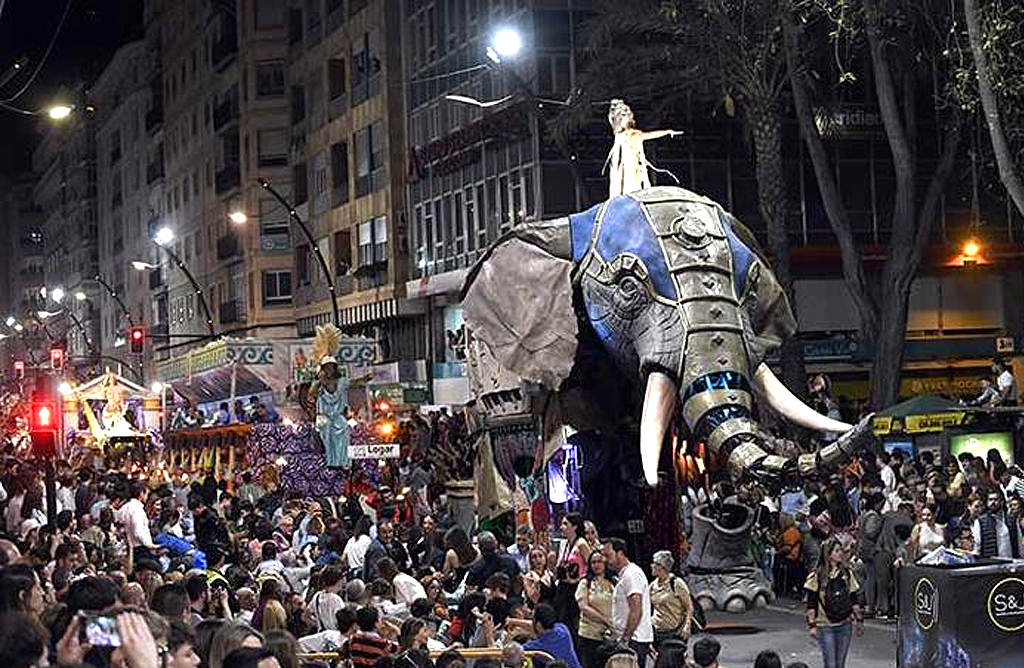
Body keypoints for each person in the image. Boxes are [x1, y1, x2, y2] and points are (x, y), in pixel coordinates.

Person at [804, 539, 863, 668]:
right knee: (830, 665)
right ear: (828, 554)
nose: (840, 553)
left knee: (840, 664)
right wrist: (812, 625)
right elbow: (811, 603)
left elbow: (854, 599)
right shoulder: (817, 576)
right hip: (826, 626)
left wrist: (859, 621)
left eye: (840, 550)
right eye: (836, 551)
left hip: (844, 624)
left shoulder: (846, 574)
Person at [603, 537, 654, 665]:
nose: (605, 560)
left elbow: (636, 609)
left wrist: (626, 639)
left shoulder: (632, 574)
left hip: (634, 640)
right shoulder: (625, 574)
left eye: (608, 555)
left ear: (620, 554)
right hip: (630, 639)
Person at [574, 550, 614, 668]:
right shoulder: (585, 583)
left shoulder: (613, 582)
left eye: (599, 562)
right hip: (589, 635)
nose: (596, 565)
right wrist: (605, 620)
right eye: (593, 562)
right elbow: (584, 607)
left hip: (610, 636)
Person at [648, 550, 693, 650]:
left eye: (655, 563)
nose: (651, 566)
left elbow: (689, 606)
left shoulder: (676, 583)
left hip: (674, 632)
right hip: (657, 631)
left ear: (662, 567)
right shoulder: (652, 586)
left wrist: (687, 626)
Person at [522, 603, 582, 668]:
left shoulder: (537, 646)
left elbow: (517, 650)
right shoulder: (563, 629)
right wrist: (513, 621)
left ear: (538, 624)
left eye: (532, 619)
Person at [973, 489, 1013, 558]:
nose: (993, 502)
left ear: (1002, 502)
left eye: (996, 499)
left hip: (1011, 562)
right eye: (990, 500)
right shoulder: (980, 521)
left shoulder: (1010, 519)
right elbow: (977, 544)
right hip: (991, 562)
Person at [309, 565, 345, 631]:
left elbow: (305, 616)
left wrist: (318, 624)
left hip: (322, 635)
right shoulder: (336, 600)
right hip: (336, 636)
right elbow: (343, 623)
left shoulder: (317, 596)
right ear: (339, 581)